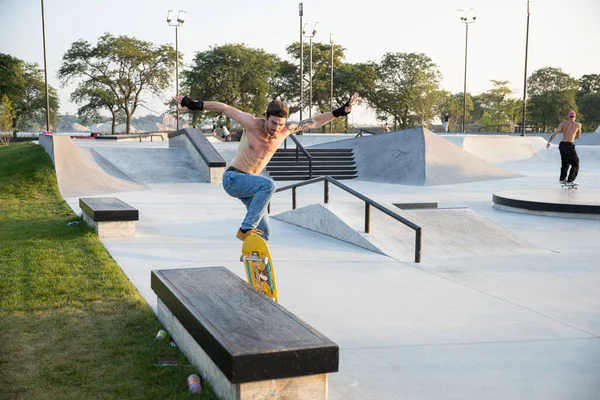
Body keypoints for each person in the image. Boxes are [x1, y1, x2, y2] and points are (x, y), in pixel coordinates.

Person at [173, 92, 359, 241]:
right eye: (273, 123)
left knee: (264, 233)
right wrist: (194, 104)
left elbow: (315, 121)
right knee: (269, 185)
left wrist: (340, 111)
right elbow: (224, 108)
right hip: (233, 178)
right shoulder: (251, 123)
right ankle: (245, 229)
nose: (276, 128)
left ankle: (252, 256)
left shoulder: (287, 129)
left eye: (280, 125)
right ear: (266, 117)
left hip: (251, 187)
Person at [546, 110, 582, 184]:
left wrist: (549, 142)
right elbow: (578, 136)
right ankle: (570, 180)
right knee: (575, 163)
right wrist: (571, 137)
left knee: (565, 163)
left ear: (568, 117)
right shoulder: (578, 125)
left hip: (562, 145)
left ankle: (562, 179)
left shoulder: (563, 123)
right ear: (575, 117)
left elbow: (555, 133)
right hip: (569, 145)